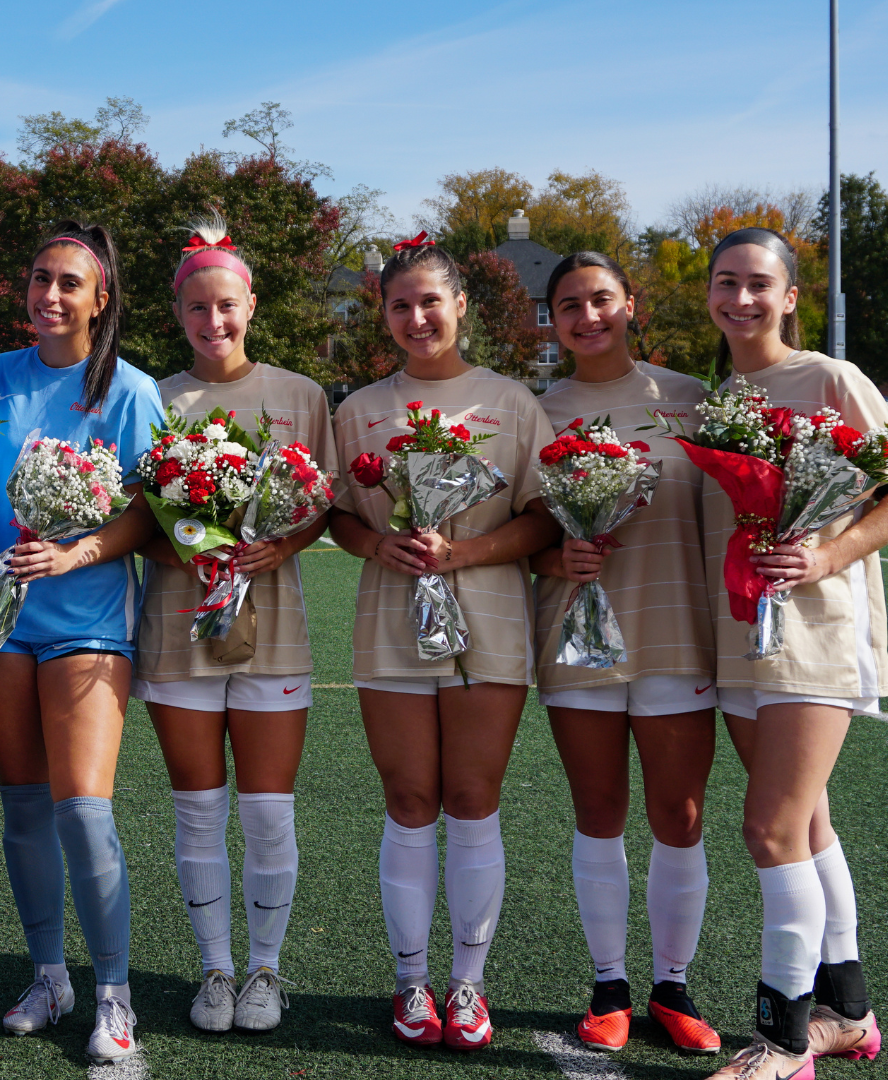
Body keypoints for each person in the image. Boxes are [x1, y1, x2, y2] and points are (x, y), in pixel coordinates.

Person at [696, 228, 888, 1080]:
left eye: (760, 284)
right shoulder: (724, 394)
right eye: (726, 283)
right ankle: (849, 1013)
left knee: (770, 828)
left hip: (816, 633)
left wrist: (824, 556)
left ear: (791, 296)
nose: (741, 299)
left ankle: (783, 1041)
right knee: (811, 823)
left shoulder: (830, 378)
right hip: (741, 637)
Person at [327, 237, 560, 1052]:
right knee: (409, 800)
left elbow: (540, 516)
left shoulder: (512, 400)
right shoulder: (356, 407)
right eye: (400, 304)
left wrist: (462, 554)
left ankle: (468, 984)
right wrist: (376, 545)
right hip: (391, 620)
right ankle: (411, 982)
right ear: (384, 314)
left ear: (461, 305)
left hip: (490, 619)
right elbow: (338, 516)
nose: (417, 317)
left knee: (471, 798)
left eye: (431, 301)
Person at [132, 216, 335, 1034]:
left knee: (267, 810)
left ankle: (265, 969)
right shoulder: (155, 399)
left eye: (228, 306)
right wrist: (186, 541)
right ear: (178, 314)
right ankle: (214, 969)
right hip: (176, 622)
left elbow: (320, 506)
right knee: (196, 807)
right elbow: (136, 515)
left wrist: (278, 542)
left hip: (272, 622)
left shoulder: (300, 395)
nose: (213, 323)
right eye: (197, 310)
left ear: (251, 304)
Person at [0, 221, 163, 1066]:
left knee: (83, 811)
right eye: (39, 279)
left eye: (69, 284)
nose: (50, 297)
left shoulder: (129, 390)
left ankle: (114, 993)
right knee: (22, 809)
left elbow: (151, 508)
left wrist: (77, 551)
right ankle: (50, 977)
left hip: (87, 620)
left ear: (101, 298)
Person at [528, 252, 721, 1056]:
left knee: (678, 815)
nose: (587, 315)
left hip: (678, 628)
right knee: (599, 812)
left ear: (630, 303)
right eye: (568, 304)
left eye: (601, 298)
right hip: (578, 633)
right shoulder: (538, 409)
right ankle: (609, 983)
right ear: (553, 319)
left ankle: (672, 985)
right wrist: (554, 560)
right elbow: (521, 534)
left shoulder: (692, 399)